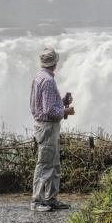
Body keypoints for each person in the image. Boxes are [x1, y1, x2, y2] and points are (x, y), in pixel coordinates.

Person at [29, 48, 75, 212]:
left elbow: (42, 106)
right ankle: (37, 202)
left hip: (44, 125)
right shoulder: (48, 80)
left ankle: (50, 199)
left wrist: (61, 101)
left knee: (53, 163)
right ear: (54, 63)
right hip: (48, 126)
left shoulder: (39, 77)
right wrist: (65, 111)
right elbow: (48, 110)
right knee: (46, 164)